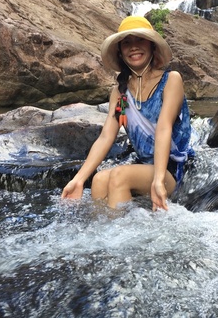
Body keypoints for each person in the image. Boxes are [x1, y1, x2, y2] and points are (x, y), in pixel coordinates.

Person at [61, 15, 194, 211]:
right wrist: (78, 179)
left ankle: (121, 238)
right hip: (142, 168)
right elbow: (106, 137)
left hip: (171, 170)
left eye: (140, 39)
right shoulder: (120, 92)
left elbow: (164, 128)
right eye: (127, 43)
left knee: (119, 175)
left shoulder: (171, 80)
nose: (133, 47)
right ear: (121, 53)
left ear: (152, 46)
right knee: (98, 179)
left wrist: (157, 180)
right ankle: (103, 235)